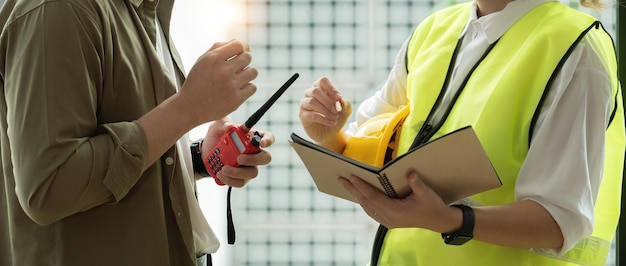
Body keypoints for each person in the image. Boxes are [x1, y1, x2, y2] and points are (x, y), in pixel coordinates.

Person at [298, 0, 625, 264]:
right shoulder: (435, 30)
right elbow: (369, 150)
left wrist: (451, 220)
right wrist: (331, 135)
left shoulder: (576, 50)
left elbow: (560, 220)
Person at [0, 0, 274, 265]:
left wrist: (196, 158)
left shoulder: (144, 12)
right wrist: (187, 108)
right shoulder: (58, 9)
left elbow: (131, 152)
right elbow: (50, 186)